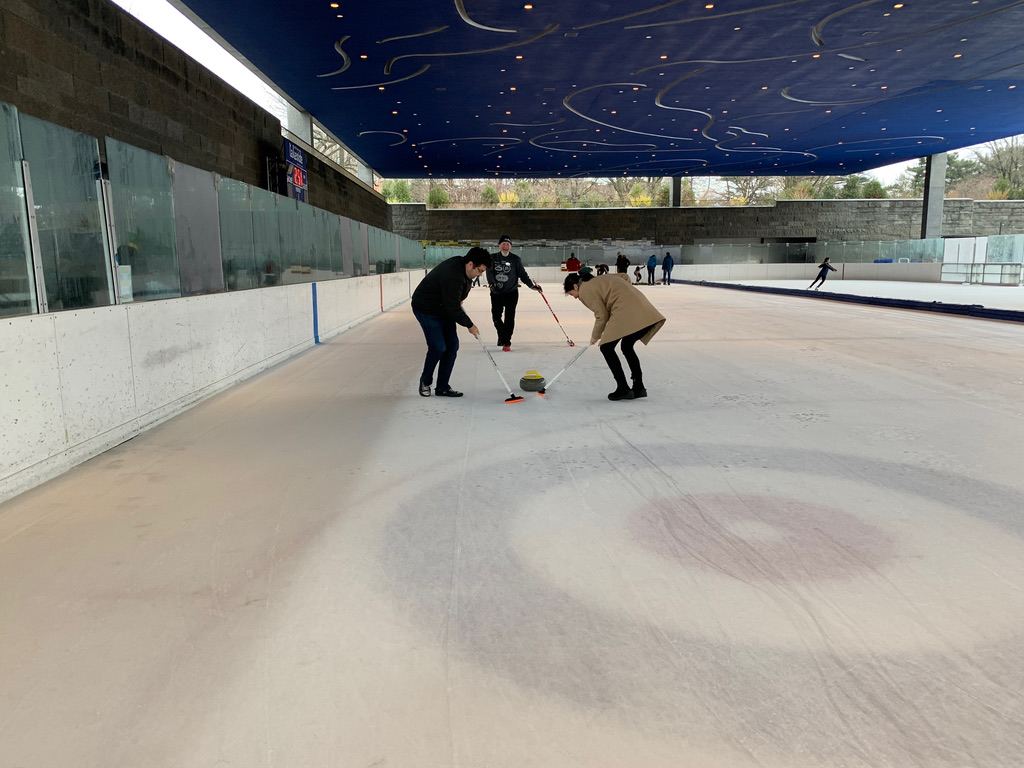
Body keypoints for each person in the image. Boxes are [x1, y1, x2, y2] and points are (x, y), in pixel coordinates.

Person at [564, 270, 666, 401]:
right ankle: (639, 387)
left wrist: (595, 336)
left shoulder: (585, 291)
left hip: (626, 310)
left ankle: (623, 388)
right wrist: (624, 292)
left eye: (572, 294)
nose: (575, 297)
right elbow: (625, 276)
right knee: (627, 346)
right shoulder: (600, 278)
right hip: (643, 308)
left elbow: (602, 315)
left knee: (606, 347)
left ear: (575, 286)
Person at [411, 247, 491, 398]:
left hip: (443, 308)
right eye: (480, 270)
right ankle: (425, 381)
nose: (480, 274)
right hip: (426, 308)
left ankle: (442, 387)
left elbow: (455, 300)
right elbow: (452, 308)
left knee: (452, 345)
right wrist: (470, 325)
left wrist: (457, 298)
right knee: (438, 346)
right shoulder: (453, 274)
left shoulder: (465, 271)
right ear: (470, 264)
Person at [487, 235, 541, 351]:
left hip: (511, 293)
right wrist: (491, 284)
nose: (505, 246)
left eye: (508, 244)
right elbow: (489, 272)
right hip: (496, 293)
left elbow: (522, 274)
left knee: (509, 318)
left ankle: (506, 341)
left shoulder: (515, 259)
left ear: (510, 246)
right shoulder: (492, 258)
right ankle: (502, 334)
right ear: (499, 245)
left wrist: (531, 286)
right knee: (496, 316)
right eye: (503, 244)